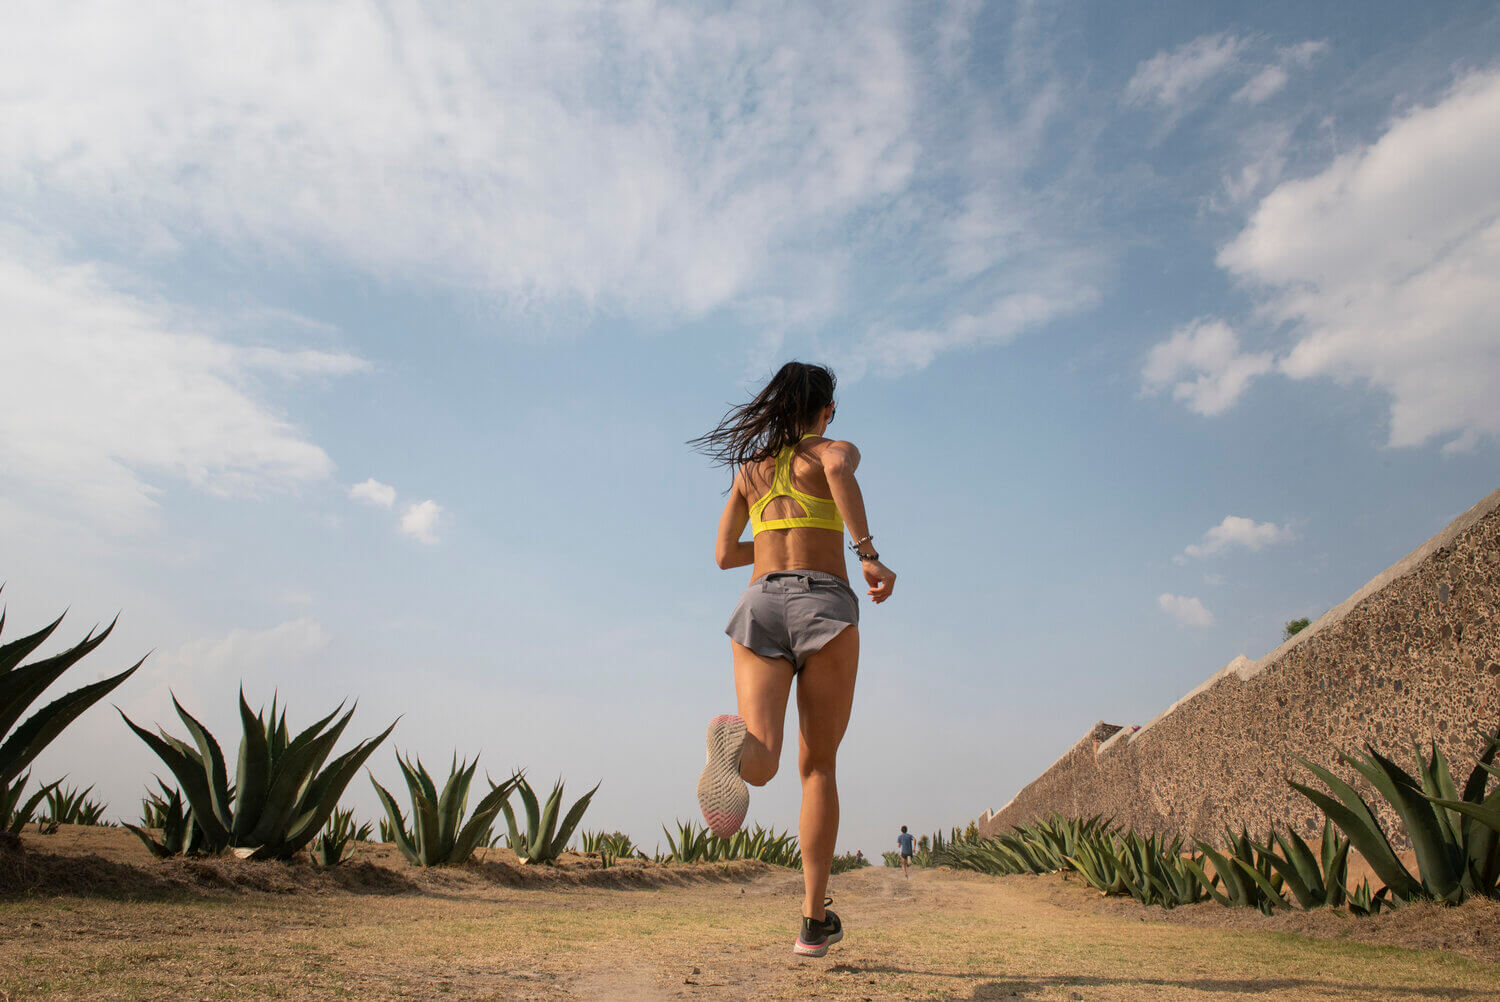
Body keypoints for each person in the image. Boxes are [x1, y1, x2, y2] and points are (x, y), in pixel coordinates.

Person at [689, 361, 897, 959]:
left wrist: (783, 537)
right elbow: (835, 468)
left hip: (758, 602)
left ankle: (734, 745)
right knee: (818, 767)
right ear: (826, 410)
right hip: (823, 604)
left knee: (762, 757)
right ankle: (811, 921)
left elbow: (727, 553)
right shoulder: (832, 448)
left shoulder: (751, 469)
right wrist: (865, 553)